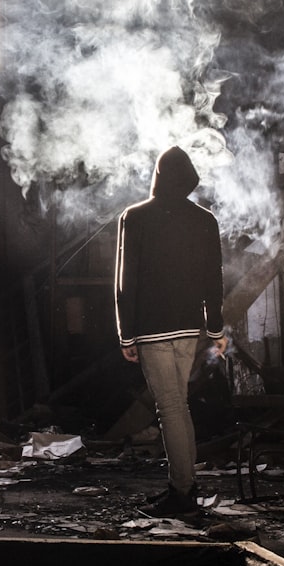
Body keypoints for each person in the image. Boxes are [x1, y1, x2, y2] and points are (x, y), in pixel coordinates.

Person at [114, 145, 228, 518]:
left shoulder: (135, 217)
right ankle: (185, 486)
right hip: (188, 330)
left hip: (152, 331)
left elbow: (125, 283)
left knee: (171, 408)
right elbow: (214, 280)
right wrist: (214, 329)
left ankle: (182, 491)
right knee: (179, 406)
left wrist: (126, 335)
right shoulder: (205, 219)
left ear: (158, 176)